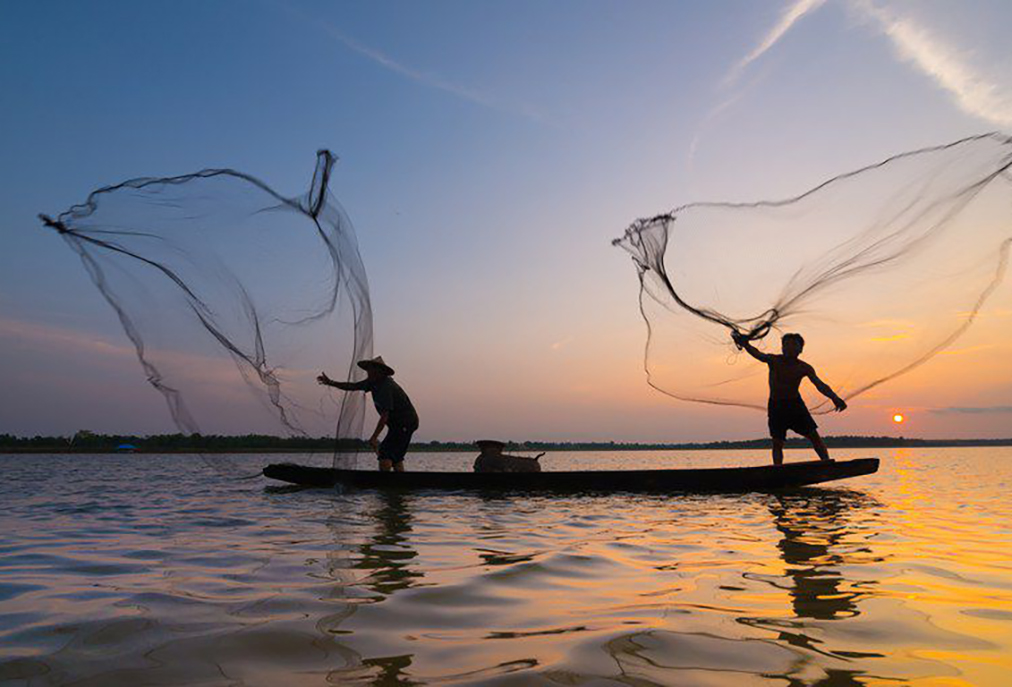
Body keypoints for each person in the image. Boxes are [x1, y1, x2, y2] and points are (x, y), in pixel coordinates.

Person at [732, 331, 846, 465]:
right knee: (777, 442)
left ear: (800, 349)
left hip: (796, 406)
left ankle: (827, 464)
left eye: (793, 345)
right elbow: (758, 354)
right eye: (786, 345)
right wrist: (746, 344)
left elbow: (819, 384)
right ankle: (778, 470)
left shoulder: (804, 367)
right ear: (782, 348)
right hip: (776, 406)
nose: (789, 348)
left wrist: (835, 398)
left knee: (814, 437)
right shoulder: (774, 360)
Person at [317, 356, 419, 472]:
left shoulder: (386, 386)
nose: (368, 372)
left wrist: (374, 437)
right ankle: (399, 486)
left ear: (379, 372)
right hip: (398, 425)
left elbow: (384, 416)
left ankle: (385, 486)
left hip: (405, 423)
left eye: (370, 370)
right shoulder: (372, 382)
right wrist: (330, 382)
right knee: (395, 457)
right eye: (368, 370)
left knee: (385, 453)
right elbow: (353, 386)